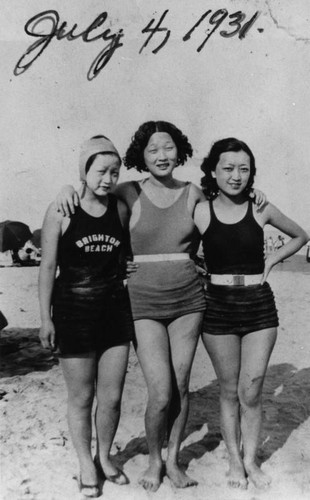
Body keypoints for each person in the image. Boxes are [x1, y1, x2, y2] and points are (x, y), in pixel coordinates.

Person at [56, 122, 266, 492]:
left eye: (168, 148)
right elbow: (91, 193)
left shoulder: (193, 193)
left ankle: (172, 461)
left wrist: (256, 194)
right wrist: (66, 189)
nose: (162, 156)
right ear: (142, 154)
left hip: (189, 300)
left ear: (179, 150)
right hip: (142, 302)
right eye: (153, 150)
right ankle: (153, 461)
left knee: (181, 386)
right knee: (160, 391)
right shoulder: (127, 192)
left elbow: (228, 211)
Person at [194, 137, 309, 491]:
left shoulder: (262, 208)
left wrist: (273, 260)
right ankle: (233, 459)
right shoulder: (199, 210)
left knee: (253, 389)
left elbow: (300, 235)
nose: (236, 176)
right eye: (228, 168)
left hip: (259, 305)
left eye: (244, 169)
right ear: (213, 171)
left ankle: (250, 459)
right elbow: (173, 245)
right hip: (217, 307)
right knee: (228, 391)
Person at [39, 135, 134, 498]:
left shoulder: (120, 209)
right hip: (73, 312)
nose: (107, 179)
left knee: (111, 397)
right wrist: (45, 319)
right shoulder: (61, 209)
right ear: (83, 170)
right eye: (100, 171)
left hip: (114, 311)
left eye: (114, 172)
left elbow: (125, 257)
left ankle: (105, 457)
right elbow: (47, 266)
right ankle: (84, 463)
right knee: (81, 397)